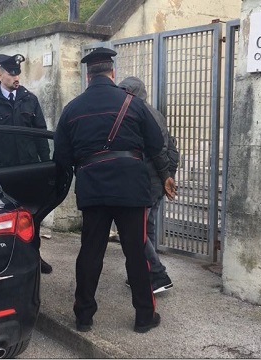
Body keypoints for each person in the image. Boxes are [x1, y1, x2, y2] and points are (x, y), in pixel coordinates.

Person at [53, 47, 177, 333]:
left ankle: (84, 316)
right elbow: (156, 144)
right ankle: (144, 316)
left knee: (90, 252)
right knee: (135, 253)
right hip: (131, 189)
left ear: (88, 76)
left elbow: (61, 156)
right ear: (113, 73)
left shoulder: (72, 108)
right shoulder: (133, 104)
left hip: (93, 188)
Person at [0, 53, 53, 274]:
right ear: (0, 74)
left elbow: (41, 135)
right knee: (4, 219)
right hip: (3, 172)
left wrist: (46, 166)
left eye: (18, 73)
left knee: (32, 218)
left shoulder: (30, 100)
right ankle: (5, 260)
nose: (16, 77)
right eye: (11, 73)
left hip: (28, 170)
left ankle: (34, 256)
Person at [118, 76, 179, 294]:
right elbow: (171, 147)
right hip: (158, 182)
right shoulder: (157, 114)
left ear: (130, 92)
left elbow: (148, 151)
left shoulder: (133, 114)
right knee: (148, 228)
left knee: (135, 231)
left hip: (143, 182)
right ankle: (139, 274)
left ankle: (157, 275)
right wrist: (168, 176)